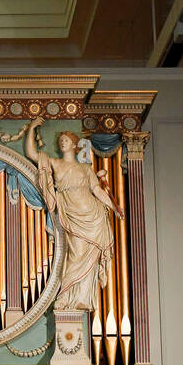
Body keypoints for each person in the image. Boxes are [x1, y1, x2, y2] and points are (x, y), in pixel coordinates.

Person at [24, 117, 125, 312]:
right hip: (72, 214)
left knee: (90, 258)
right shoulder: (55, 163)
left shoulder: (85, 168)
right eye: (61, 140)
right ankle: (65, 297)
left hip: (92, 214)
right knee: (76, 255)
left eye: (67, 140)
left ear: (74, 145)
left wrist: (114, 208)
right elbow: (31, 153)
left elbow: (97, 191)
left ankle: (82, 300)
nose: (63, 142)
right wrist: (32, 128)